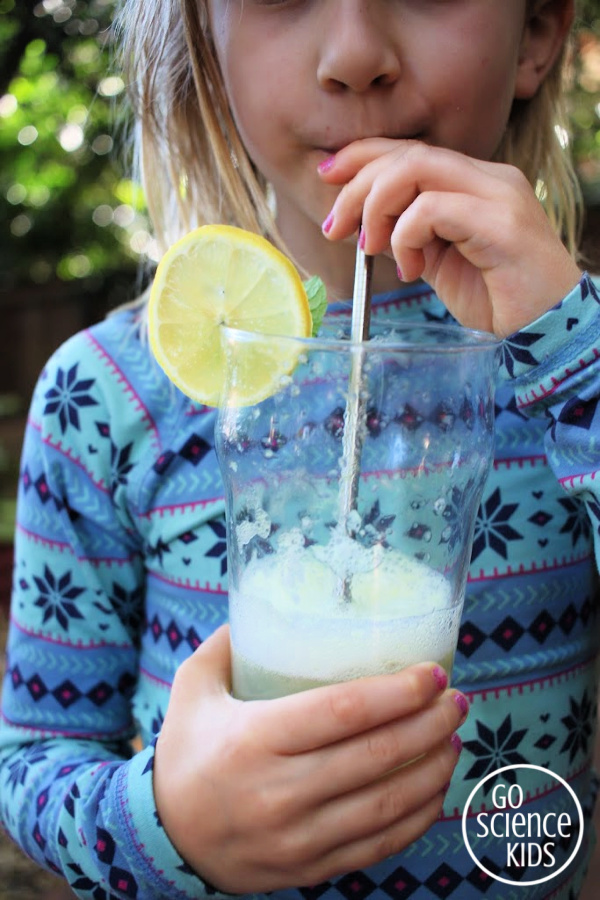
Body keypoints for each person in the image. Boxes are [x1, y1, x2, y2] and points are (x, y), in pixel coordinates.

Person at [1, 0, 599, 898]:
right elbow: (31, 765)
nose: (356, 55)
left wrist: (574, 351)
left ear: (541, 31)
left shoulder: (578, 355)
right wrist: (172, 822)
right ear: (207, 41)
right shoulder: (108, 396)